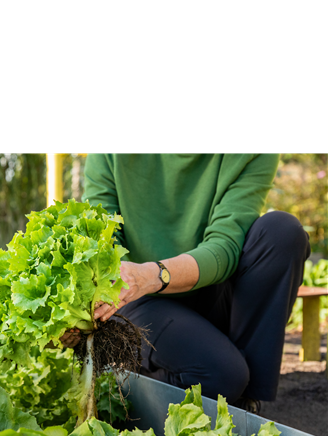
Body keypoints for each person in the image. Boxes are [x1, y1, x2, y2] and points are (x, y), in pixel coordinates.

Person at [61, 153, 311, 413]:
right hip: (136, 296)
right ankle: (120, 388)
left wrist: (156, 274)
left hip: (203, 286)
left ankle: (244, 403)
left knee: (282, 232)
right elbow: (102, 236)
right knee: (222, 375)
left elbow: (225, 245)